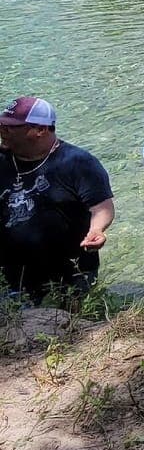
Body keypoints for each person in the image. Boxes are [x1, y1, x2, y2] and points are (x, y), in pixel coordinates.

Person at [0, 97, 114, 305]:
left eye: (10, 127)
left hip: (69, 274)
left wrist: (97, 230)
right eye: (2, 124)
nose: (2, 130)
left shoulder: (77, 163)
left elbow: (102, 207)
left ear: (40, 130)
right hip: (10, 276)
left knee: (71, 322)